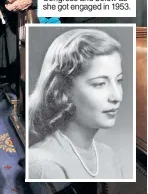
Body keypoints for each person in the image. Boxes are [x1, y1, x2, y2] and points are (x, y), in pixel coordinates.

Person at [28, 29, 124, 179]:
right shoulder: (44, 164)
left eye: (119, 81)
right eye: (100, 83)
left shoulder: (109, 156)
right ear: (64, 89)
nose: (117, 96)